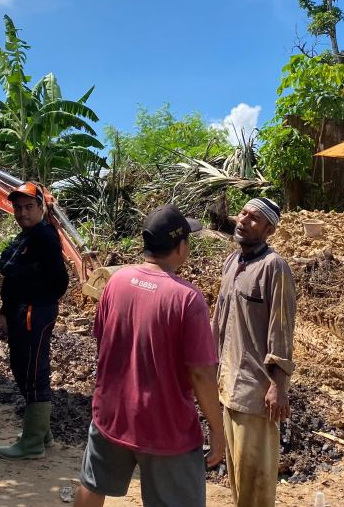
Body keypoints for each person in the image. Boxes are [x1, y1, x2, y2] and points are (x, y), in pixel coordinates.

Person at [74, 204, 224, 507]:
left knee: (93, 484)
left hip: (112, 415)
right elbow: (200, 374)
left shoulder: (115, 282)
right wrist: (218, 432)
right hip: (165, 428)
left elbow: (103, 340)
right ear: (181, 246)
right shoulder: (187, 299)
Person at [213, 198, 297, 507]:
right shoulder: (232, 261)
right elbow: (219, 321)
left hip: (257, 393)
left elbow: (281, 328)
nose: (244, 220)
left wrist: (279, 385)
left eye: (254, 219)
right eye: (244, 213)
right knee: (236, 480)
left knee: (256, 485)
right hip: (228, 387)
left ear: (269, 229)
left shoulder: (275, 267)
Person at [0, 182, 68, 460]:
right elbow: (7, 270)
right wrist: (5, 312)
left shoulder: (44, 237)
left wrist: (32, 293)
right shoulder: (26, 236)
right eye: (18, 207)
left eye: (28, 207)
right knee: (20, 367)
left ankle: (33, 444)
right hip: (20, 312)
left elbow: (59, 282)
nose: (22, 213)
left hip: (34, 313)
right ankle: (41, 432)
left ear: (40, 207)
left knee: (34, 372)